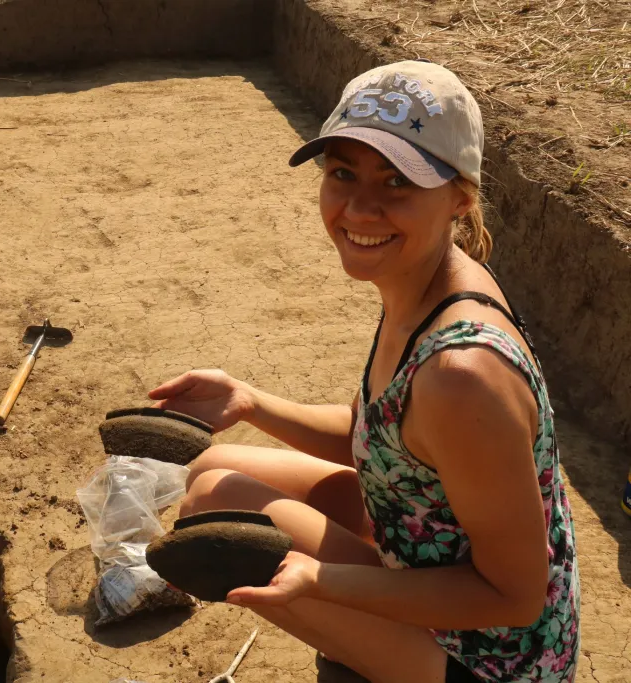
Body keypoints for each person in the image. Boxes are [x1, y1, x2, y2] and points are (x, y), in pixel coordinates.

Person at [150, 60, 579, 683]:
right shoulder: (428, 282)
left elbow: (514, 597)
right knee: (213, 471)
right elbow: (382, 434)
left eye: (398, 180)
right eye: (343, 172)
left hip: (494, 658)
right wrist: (250, 403)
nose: (360, 206)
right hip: (431, 556)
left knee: (219, 503)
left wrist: (324, 582)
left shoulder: (463, 374)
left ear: (461, 196)